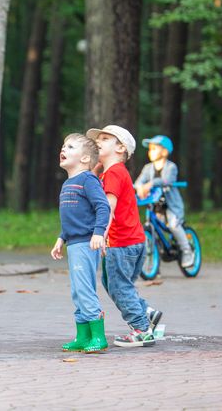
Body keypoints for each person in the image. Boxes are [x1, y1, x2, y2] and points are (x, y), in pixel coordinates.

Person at [86, 124, 162, 348]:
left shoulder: (115, 173)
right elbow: (90, 183)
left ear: (120, 148)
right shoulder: (112, 172)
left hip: (121, 242)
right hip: (132, 241)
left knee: (119, 287)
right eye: (97, 139)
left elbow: (108, 208)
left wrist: (101, 234)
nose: (98, 142)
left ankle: (141, 329)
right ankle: (146, 313)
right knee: (112, 282)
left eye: (105, 139)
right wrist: (97, 167)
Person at [50, 134, 110, 353]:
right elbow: (72, 217)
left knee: (84, 289)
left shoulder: (88, 180)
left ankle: (99, 337)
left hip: (86, 243)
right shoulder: (68, 183)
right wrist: (61, 238)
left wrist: (99, 233)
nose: (63, 148)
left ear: (85, 159)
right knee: (77, 291)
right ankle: (83, 336)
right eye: (63, 145)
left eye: (70, 146)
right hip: (73, 243)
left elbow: (103, 207)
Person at [134, 135, 193, 268]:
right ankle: (155, 256)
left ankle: (187, 251)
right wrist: (139, 187)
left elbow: (167, 180)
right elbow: (139, 182)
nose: (150, 152)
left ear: (165, 152)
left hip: (171, 205)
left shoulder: (171, 167)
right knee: (153, 226)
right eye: (150, 149)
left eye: (154, 149)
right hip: (155, 205)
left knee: (173, 226)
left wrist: (150, 184)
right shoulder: (147, 168)